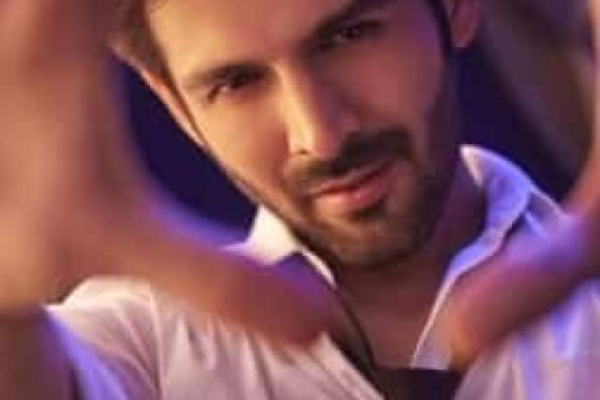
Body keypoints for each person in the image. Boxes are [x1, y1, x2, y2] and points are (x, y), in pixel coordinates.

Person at [0, 0, 599, 399]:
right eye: (236, 82)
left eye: (350, 34)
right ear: (176, 107)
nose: (321, 135)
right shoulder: (145, 339)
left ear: (454, 6)